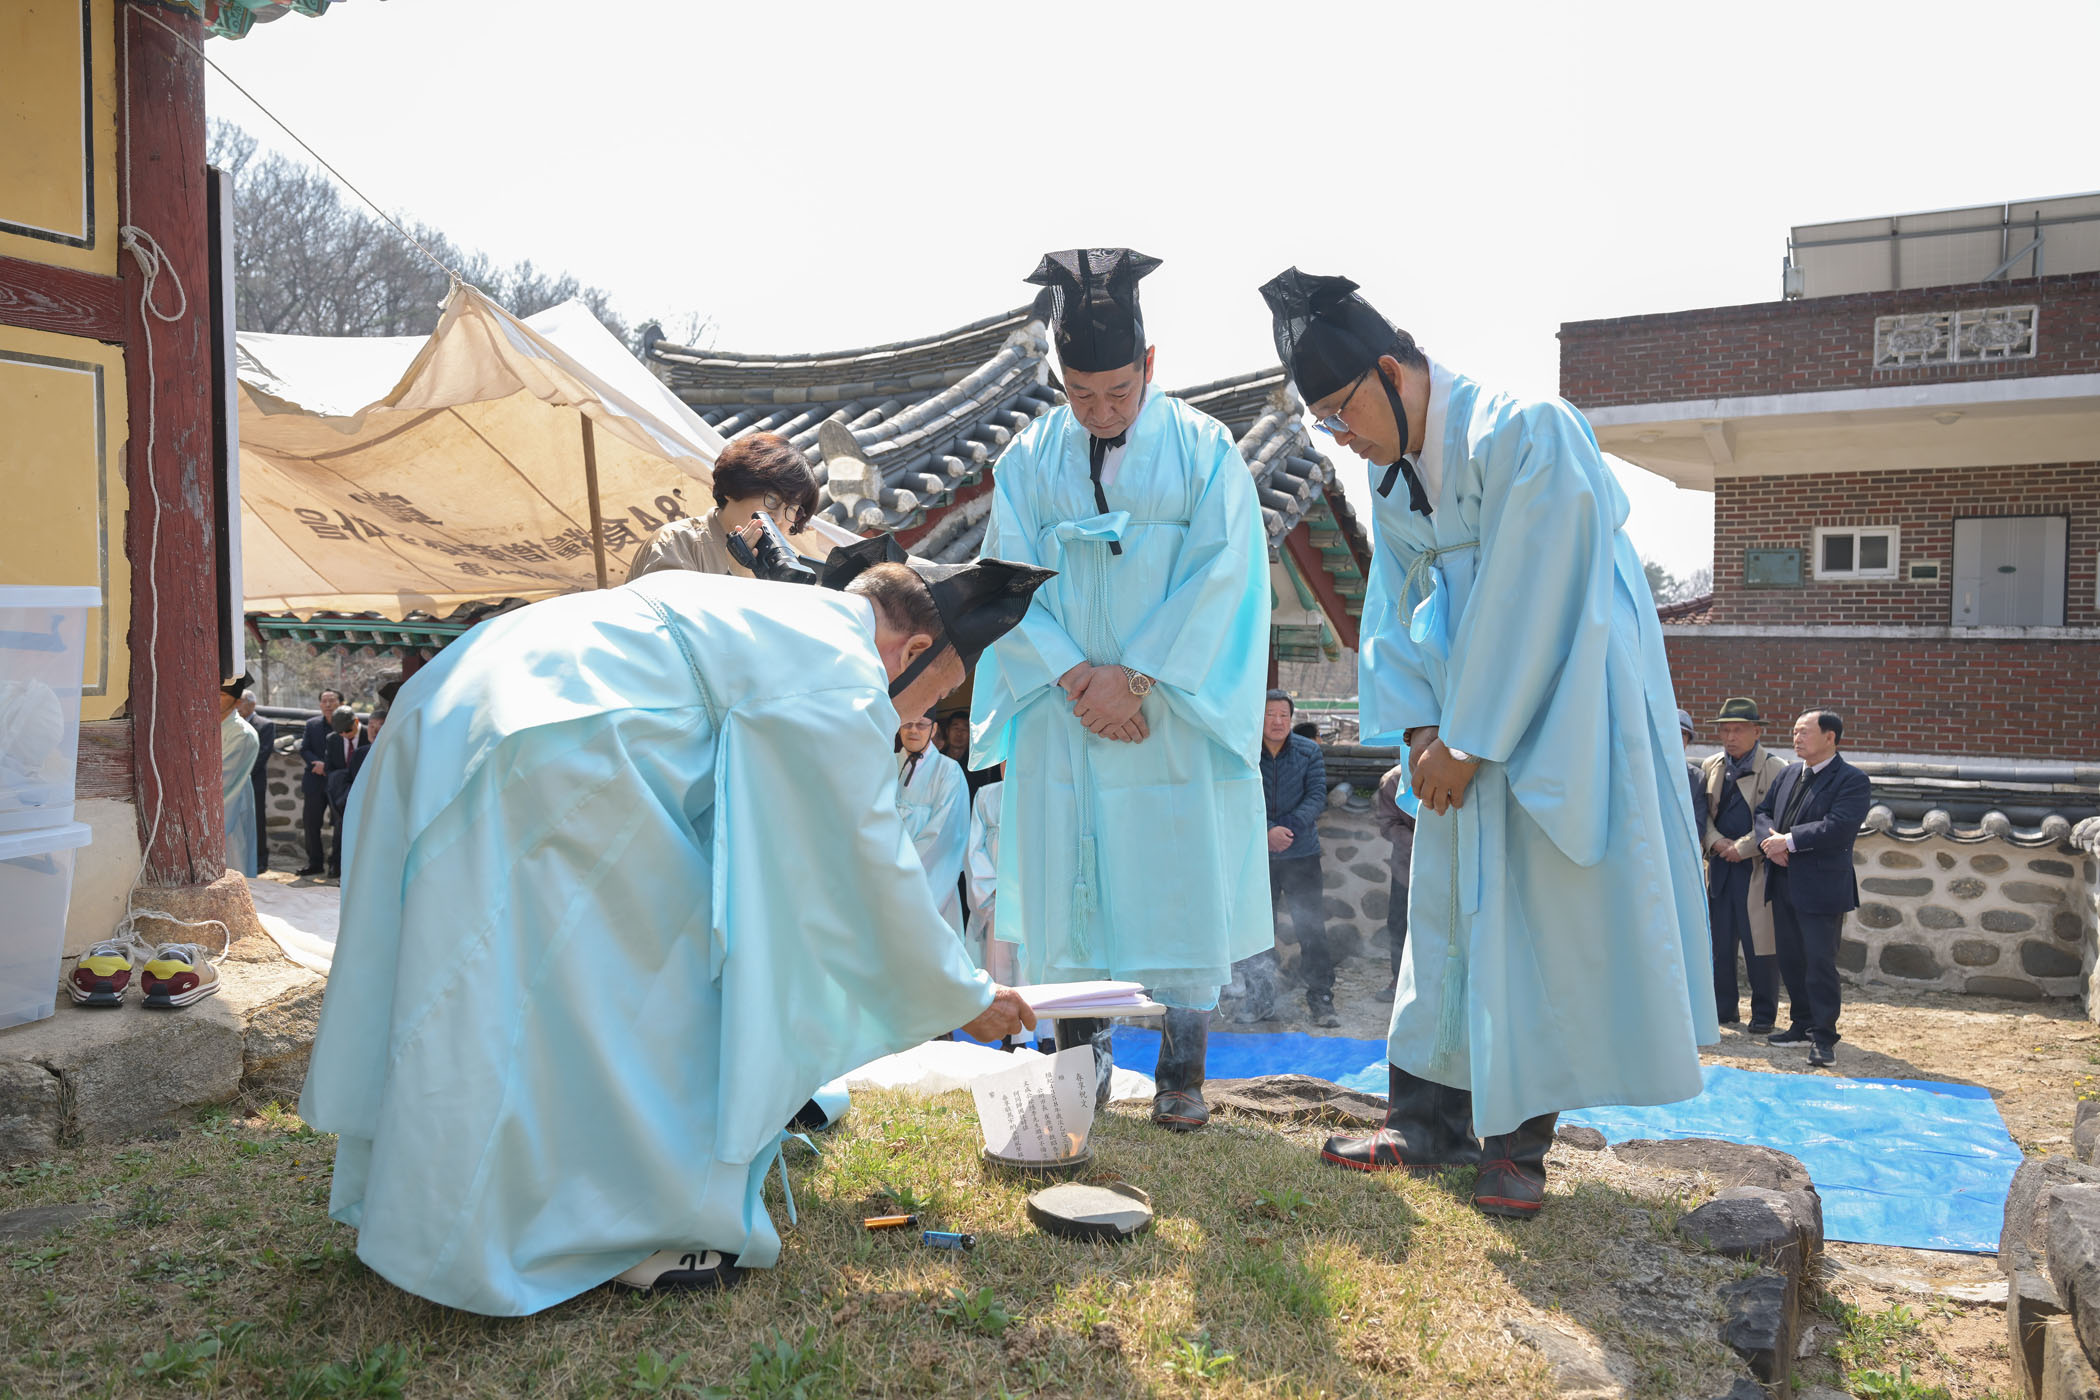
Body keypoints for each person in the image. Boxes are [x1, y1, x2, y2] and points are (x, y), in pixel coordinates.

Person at [299, 540, 1050, 1317]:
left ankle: (419, 1199)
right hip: (557, 744)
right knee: (647, 987)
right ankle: (623, 1229)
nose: (919, 716)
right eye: (935, 693)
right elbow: (863, 860)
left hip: (458, 701)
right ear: (913, 649)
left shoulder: (784, 616)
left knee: (469, 981)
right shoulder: (845, 668)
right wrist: (962, 994)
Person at [1260, 268, 1713, 1218]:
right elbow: (1392, 608)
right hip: (1456, 722)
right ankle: (1423, 1123)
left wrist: (1468, 739)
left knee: (1528, 917)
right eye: (1326, 425)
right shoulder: (1391, 473)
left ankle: (1516, 1149)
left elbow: (1537, 599)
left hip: (1559, 704)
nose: (1343, 438)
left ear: (1394, 372)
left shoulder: (1528, 429)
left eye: (1344, 413)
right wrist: (1424, 731)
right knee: (1442, 913)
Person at [970, 247, 1271, 1134]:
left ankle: (1182, 1074)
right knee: (1073, 885)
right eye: (1080, 394)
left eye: (1118, 392)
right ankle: (1080, 1066)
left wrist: (1135, 679)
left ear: (1150, 365)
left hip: (1166, 710)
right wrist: (1077, 678)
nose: (1100, 411)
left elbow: (1226, 574)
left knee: (1180, 878)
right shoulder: (1028, 459)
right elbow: (1003, 577)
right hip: (1066, 714)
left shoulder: (1205, 449)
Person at [1755, 709, 1872, 1069]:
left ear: (1830, 737)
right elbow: (1762, 813)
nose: (1797, 738)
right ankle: (1801, 1023)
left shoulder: (1851, 779)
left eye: (1804, 732)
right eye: (1794, 732)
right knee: (1790, 959)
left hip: (1822, 886)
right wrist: (1769, 844)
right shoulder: (1789, 773)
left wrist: (1788, 842)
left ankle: (1823, 1036)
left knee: (1819, 962)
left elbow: (1839, 826)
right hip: (1782, 879)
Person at [1244, 691, 1339, 1027]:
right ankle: (1259, 1000)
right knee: (1256, 930)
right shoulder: (1245, 751)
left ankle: (1321, 1000)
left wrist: (1287, 829)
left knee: (1311, 928)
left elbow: (1316, 796)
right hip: (1256, 855)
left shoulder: (1308, 751)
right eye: (1270, 714)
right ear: (1258, 718)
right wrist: (1267, 831)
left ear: (1291, 718)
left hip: (1301, 853)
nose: (1277, 721)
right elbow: (1240, 797)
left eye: (1283, 715)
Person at [625, 432, 820, 581]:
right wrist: (736, 575)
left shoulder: (787, 567)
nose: (777, 518)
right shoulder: (677, 542)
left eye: (792, 508)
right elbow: (675, 619)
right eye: (771, 499)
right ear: (734, 487)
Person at [1702, 698, 1788, 1032]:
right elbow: (1702, 814)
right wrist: (1715, 841)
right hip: (1720, 865)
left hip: (1757, 867)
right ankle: (1723, 1010)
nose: (1730, 737)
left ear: (1756, 731)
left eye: (1738, 730)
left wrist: (1743, 847)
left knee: (1761, 944)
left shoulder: (1776, 768)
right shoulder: (1711, 765)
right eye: (1725, 730)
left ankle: (1764, 1014)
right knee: (1720, 943)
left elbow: (1777, 817)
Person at [896, 711, 970, 936]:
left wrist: (900, 869)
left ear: (934, 729)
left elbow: (944, 835)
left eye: (921, 724)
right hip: (881, 880)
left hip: (928, 886)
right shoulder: (885, 764)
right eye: (907, 724)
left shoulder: (949, 771)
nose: (913, 730)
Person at [964, 764, 1013, 983]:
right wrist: (991, 888)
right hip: (996, 899)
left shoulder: (1040, 796)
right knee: (997, 966)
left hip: (1029, 900)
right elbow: (974, 848)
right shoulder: (986, 796)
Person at [1373, 761, 1418, 998]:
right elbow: (1388, 823)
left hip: (1446, 865)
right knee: (1399, 925)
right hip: (1405, 868)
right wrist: (1420, 841)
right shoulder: (1393, 780)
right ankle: (1399, 980)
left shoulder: (1450, 768)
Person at [296, 689, 344, 876]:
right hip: (315, 780)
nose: (328, 704)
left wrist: (328, 767)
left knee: (339, 825)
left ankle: (336, 864)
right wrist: (316, 763)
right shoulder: (312, 724)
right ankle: (315, 863)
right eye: (324, 701)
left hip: (337, 783)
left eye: (332, 700)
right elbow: (304, 749)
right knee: (311, 823)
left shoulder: (347, 724)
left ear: (341, 703)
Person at [219, 676, 260, 879]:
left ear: (237, 702)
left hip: (231, 802)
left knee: (234, 859)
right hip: (212, 802)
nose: (215, 698)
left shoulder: (242, 734)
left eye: (222, 695)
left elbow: (223, 776)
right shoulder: (209, 724)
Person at [238, 694, 276, 873]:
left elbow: (262, 755)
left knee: (257, 820)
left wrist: (242, 773)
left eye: (241, 703)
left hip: (254, 780)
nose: (238, 706)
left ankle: (261, 859)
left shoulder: (265, 725)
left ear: (252, 705)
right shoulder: (234, 724)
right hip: (235, 780)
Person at [323, 708, 361, 881]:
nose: (345, 735)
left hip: (362, 790)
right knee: (340, 829)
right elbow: (329, 768)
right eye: (341, 732)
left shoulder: (369, 735)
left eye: (348, 730)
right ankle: (336, 865)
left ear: (356, 722)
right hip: (341, 794)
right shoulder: (333, 739)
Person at [1679, 709, 1708, 839]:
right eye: (1673, 731)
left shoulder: (1697, 778)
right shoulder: (1644, 772)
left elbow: (1698, 827)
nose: (1678, 738)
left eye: (1683, 734)